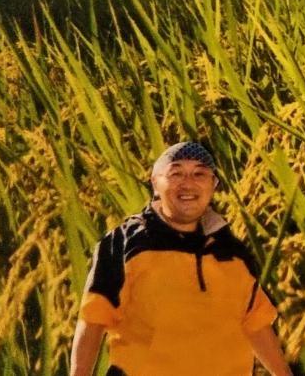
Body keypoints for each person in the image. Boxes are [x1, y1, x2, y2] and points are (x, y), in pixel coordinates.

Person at [70, 141, 292, 376]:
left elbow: (255, 323)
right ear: (155, 183)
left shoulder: (233, 253)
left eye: (199, 174)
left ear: (213, 184)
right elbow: (93, 318)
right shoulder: (125, 242)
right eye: (176, 173)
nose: (188, 183)